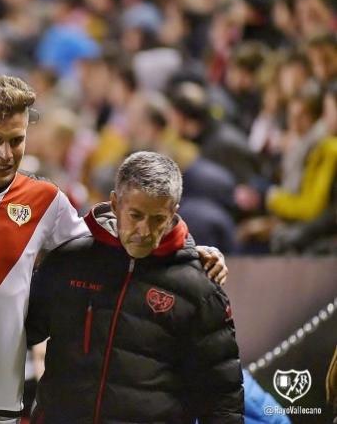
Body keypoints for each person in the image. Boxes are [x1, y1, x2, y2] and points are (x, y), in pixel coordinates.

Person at [0, 76, 228, 424]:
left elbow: (119, 241)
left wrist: (187, 250)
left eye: (16, 141)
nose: (6, 154)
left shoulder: (46, 202)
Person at [26, 151, 244, 423]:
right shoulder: (70, 260)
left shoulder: (200, 287)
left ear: (173, 212)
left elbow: (222, 396)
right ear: (115, 203)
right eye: (136, 215)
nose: (144, 230)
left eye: (157, 219)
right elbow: (18, 333)